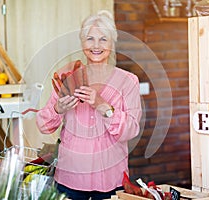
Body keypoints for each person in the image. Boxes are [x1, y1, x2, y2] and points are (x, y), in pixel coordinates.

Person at [36, 10, 142, 200]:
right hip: (70, 178)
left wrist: (103, 106)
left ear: (112, 42)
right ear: (82, 43)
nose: (96, 46)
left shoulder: (128, 81)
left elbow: (131, 130)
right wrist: (58, 109)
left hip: (112, 179)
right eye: (90, 39)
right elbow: (43, 125)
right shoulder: (68, 77)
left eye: (103, 39)